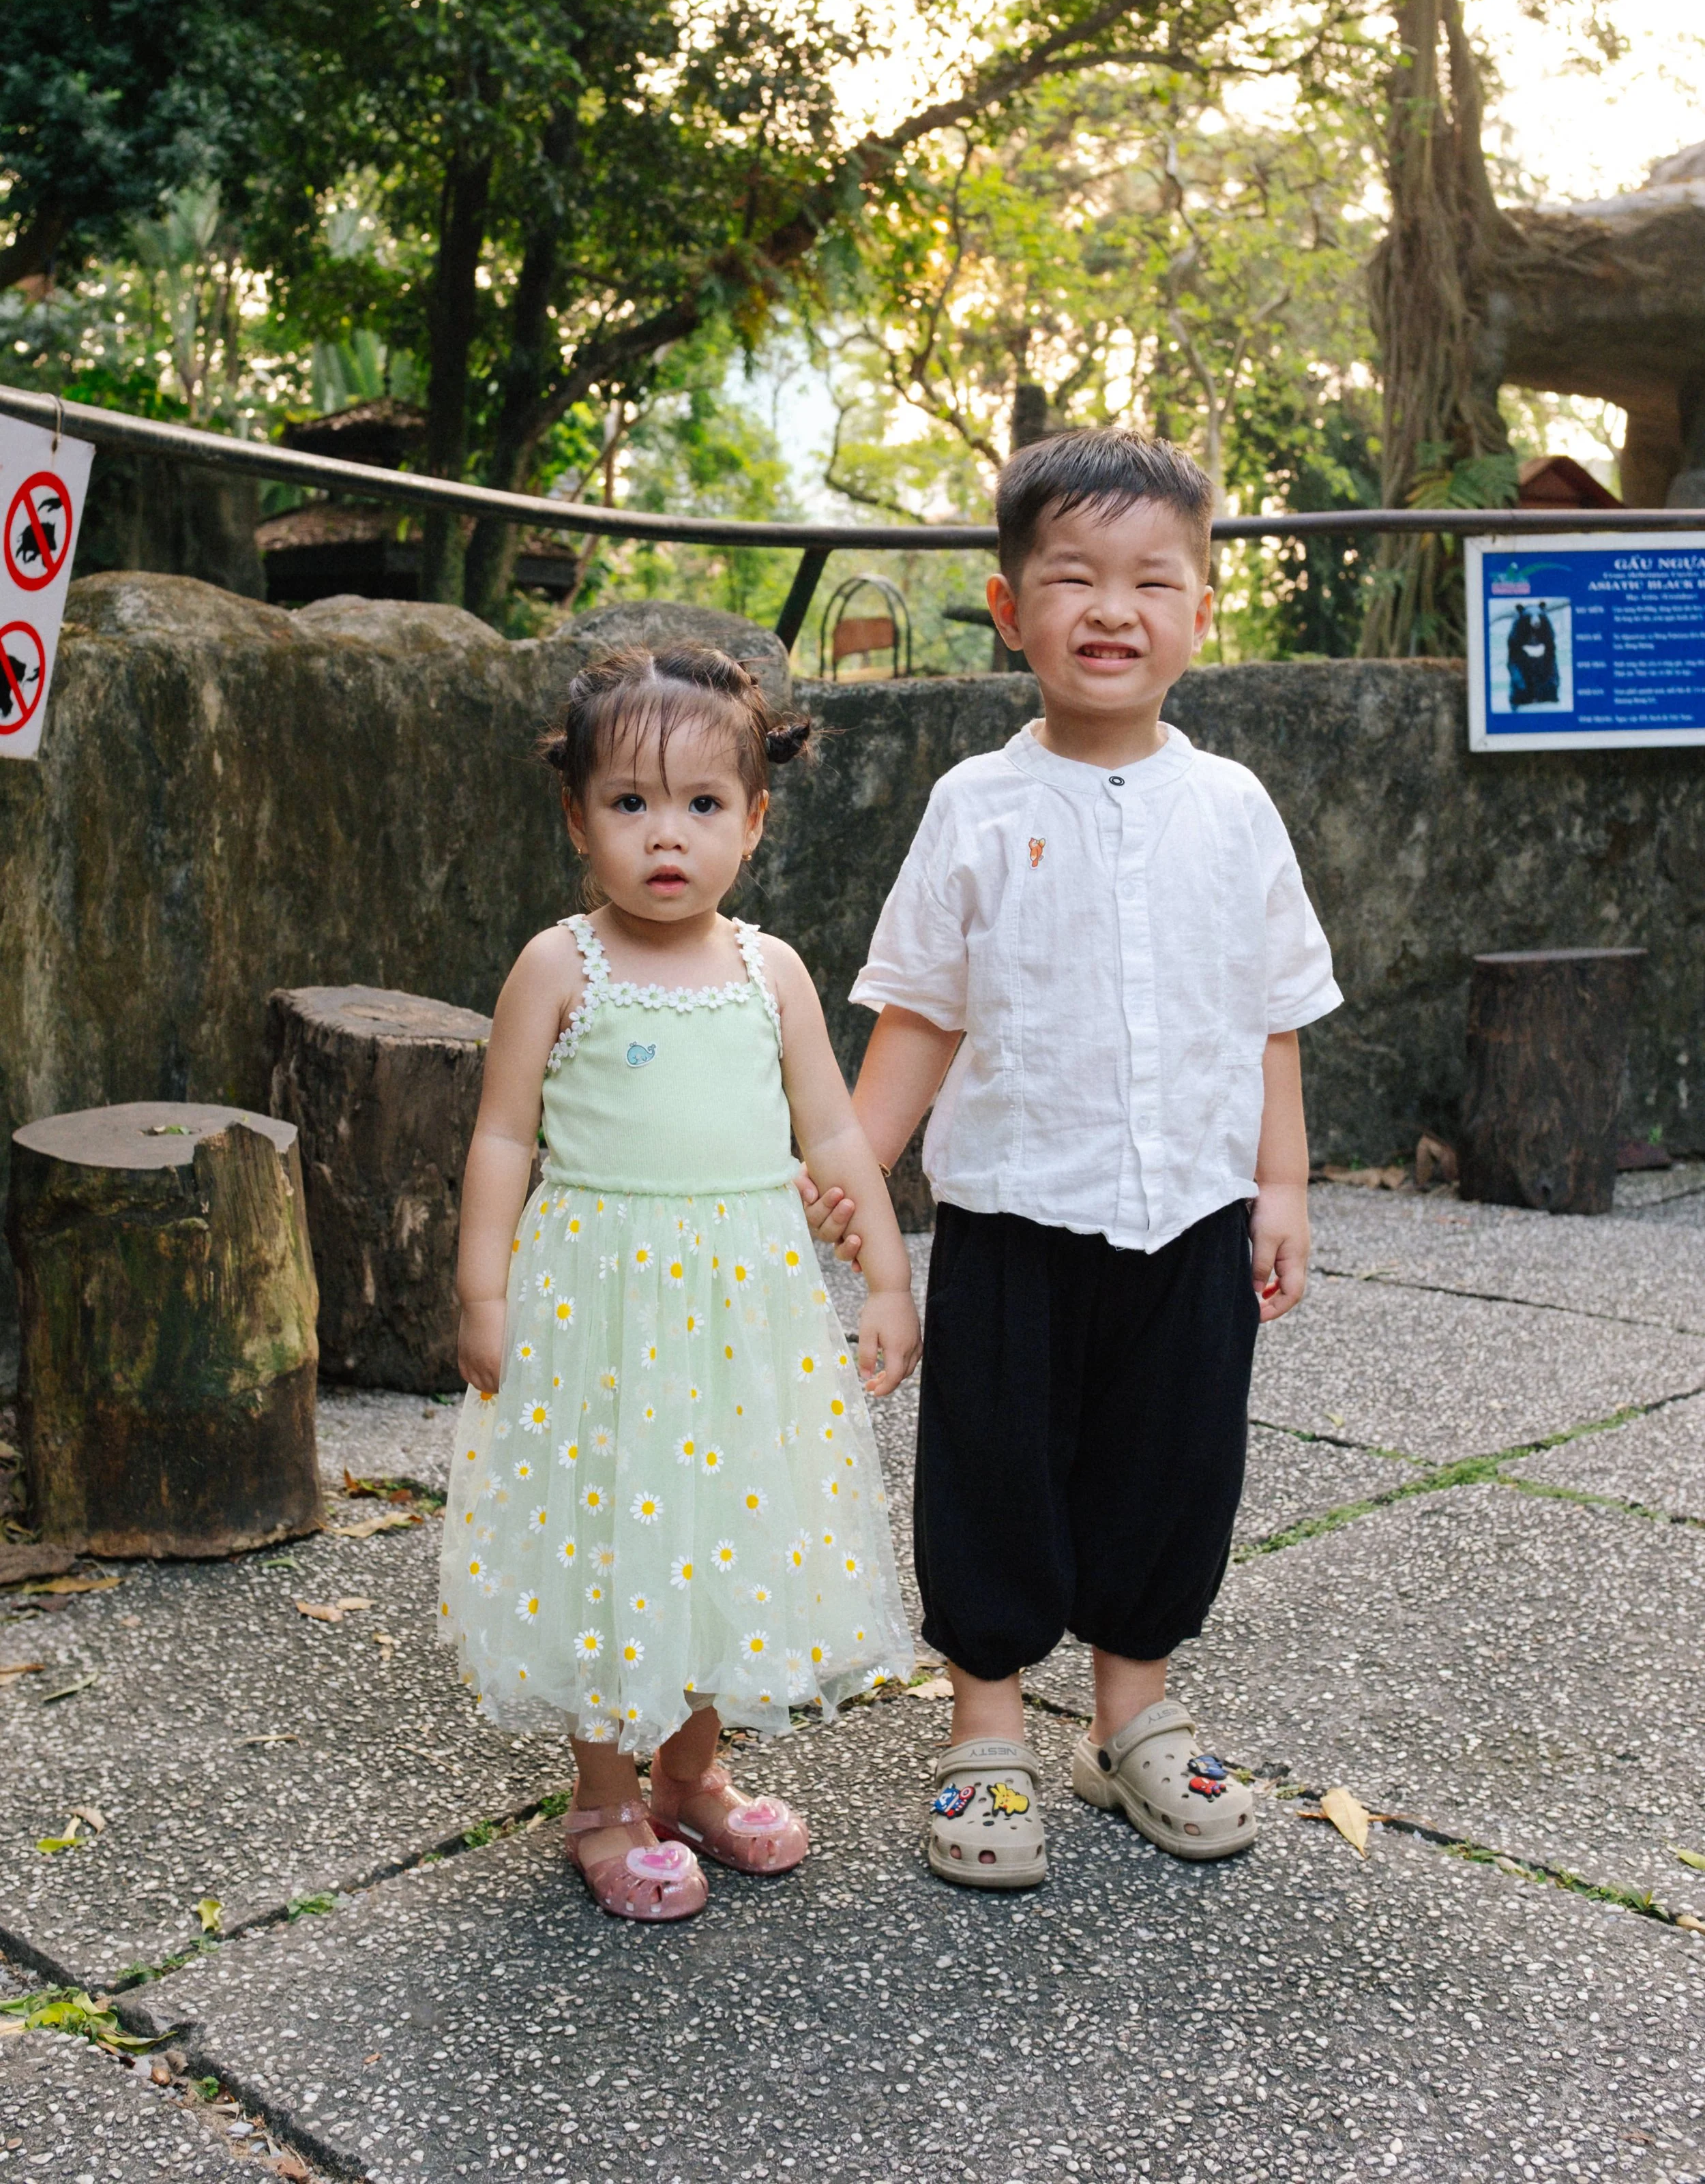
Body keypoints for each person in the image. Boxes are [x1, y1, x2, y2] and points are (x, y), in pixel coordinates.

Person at [823, 429, 1340, 1887]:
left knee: (1171, 1467)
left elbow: (1272, 1018)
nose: (1109, 609)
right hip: (1010, 1217)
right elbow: (920, 1014)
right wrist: (855, 1166)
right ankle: (983, 1725)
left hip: (1190, 1213)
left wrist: (1280, 1185)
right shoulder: (975, 807)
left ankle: (1131, 1719)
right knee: (988, 1469)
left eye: (1148, 580)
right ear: (1008, 609)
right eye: (1071, 578)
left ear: (1197, 610)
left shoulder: (1232, 808)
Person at [439, 642, 918, 1923]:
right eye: (631, 803)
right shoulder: (560, 966)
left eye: (704, 805)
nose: (668, 835)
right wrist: (482, 1289)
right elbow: (501, 1135)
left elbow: (831, 1136)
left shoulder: (771, 973)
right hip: (599, 1312)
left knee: (724, 1532)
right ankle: (604, 1795)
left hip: (741, 1316)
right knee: (609, 1540)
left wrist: (883, 1276)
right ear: (577, 817)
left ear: (754, 823)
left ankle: (691, 1772)